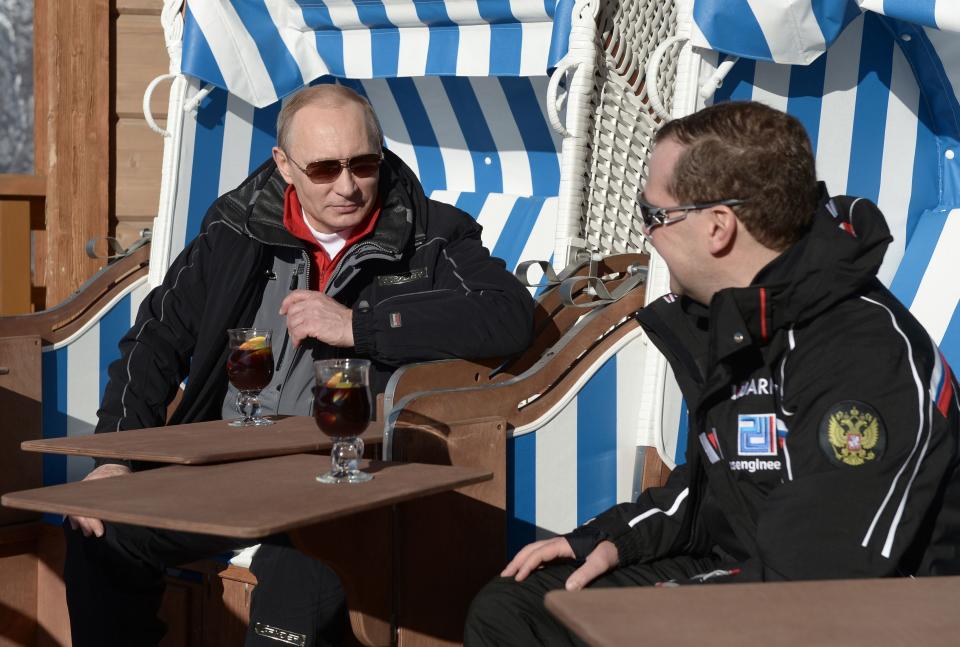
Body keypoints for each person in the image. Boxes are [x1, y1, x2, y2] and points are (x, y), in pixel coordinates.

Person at [464, 100, 960, 646]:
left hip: (867, 615)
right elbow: (719, 489)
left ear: (718, 227)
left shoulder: (865, 356)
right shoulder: (738, 321)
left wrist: (667, 609)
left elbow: (817, 582)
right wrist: (615, 539)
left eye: (653, 216)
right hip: (751, 576)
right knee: (517, 608)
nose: (647, 235)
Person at [64, 84, 535, 647]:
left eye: (363, 164)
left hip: (347, 478)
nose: (347, 185)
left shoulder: (432, 234)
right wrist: (116, 456)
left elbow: (508, 316)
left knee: (292, 601)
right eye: (323, 168)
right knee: (100, 531)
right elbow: (155, 338)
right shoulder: (236, 229)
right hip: (230, 462)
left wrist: (359, 325)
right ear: (284, 166)